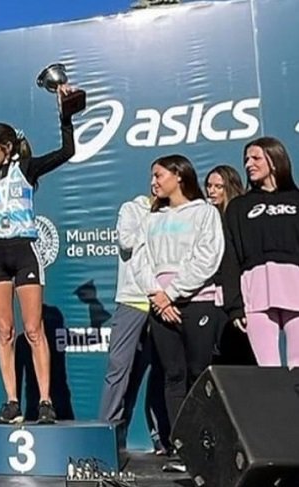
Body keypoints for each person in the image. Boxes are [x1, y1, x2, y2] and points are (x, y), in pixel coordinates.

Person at [0, 84, 77, 424]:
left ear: (6, 147)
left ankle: (44, 401)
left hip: (24, 249)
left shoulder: (25, 169)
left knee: (34, 329)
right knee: (4, 330)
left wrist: (65, 115)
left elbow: (67, 151)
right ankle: (12, 402)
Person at [134, 155, 224, 469]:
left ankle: (209, 448)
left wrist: (171, 294)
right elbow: (140, 261)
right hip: (160, 304)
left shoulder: (205, 212)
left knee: (199, 374)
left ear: (178, 175)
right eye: (152, 177)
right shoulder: (151, 218)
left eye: (158, 175)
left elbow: (207, 257)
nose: (153, 182)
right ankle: (183, 449)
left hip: (197, 301)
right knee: (173, 376)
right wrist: (158, 297)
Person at [222, 137, 299, 368]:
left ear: (275, 161)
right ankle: (274, 406)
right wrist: (235, 306)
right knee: (268, 368)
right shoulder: (238, 207)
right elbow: (230, 257)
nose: (248, 164)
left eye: (256, 158)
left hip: (295, 285)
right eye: (246, 160)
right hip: (255, 291)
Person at [99, 194, 152, 445]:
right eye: (154, 177)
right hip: (133, 298)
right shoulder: (133, 208)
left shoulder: (181, 214)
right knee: (118, 367)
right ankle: (105, 436)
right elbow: (126, 241)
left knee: (170, 374)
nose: (156, 183)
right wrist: (154, 222)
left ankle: (166, 439)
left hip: (168, 299)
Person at [204, 165, 255, 365]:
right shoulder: (206, 218)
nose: (211, 191)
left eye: (218, 186)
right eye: (209, 186)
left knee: (241, 353)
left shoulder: (240, 218)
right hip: (213, 296)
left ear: (230, 187)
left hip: (239, 295)